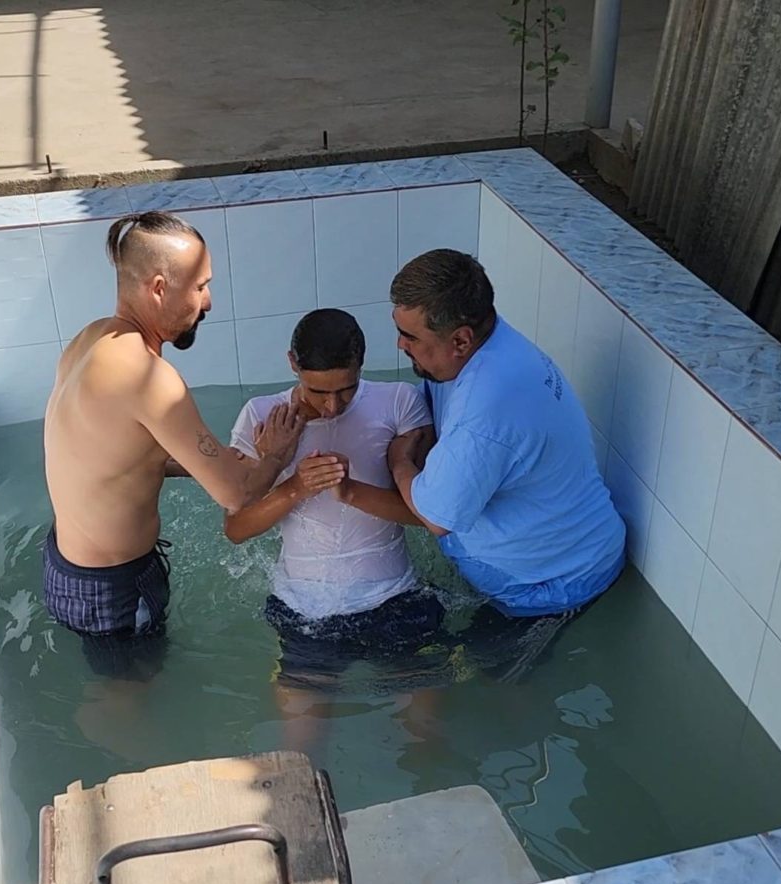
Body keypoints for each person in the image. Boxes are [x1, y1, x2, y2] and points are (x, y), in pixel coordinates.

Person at [43, 211, 303, 674]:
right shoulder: (149, 377)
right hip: (114, 591)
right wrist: (276, 455)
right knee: (127, 703)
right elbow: (238, 495)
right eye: (200, 286)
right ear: (159, 287)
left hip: (67, 569)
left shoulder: (90, 339)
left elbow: (104, 453)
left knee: (116, 691)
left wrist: (194, 462)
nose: (209, 302)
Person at [387, 248, 626, 669]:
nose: (400, 345)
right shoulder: (487, 344)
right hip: (561, 550)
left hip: (551, 586)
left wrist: (399, 462)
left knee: (476, 683)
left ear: (460, 339)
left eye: (411, 338)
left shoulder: (487, 410)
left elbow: (436, 517)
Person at [224, 308, 443, 682]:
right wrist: (290, 481)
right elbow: (236, 528)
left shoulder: (398, 403)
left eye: (347, 389)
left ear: (361, 363)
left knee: (425, 733)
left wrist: (351, 491)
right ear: (292, 363)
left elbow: (430, 516)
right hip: (303, 609)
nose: (332, 406)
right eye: (318, 391)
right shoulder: (261, 415)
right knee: (299, 741)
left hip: (397, 598)